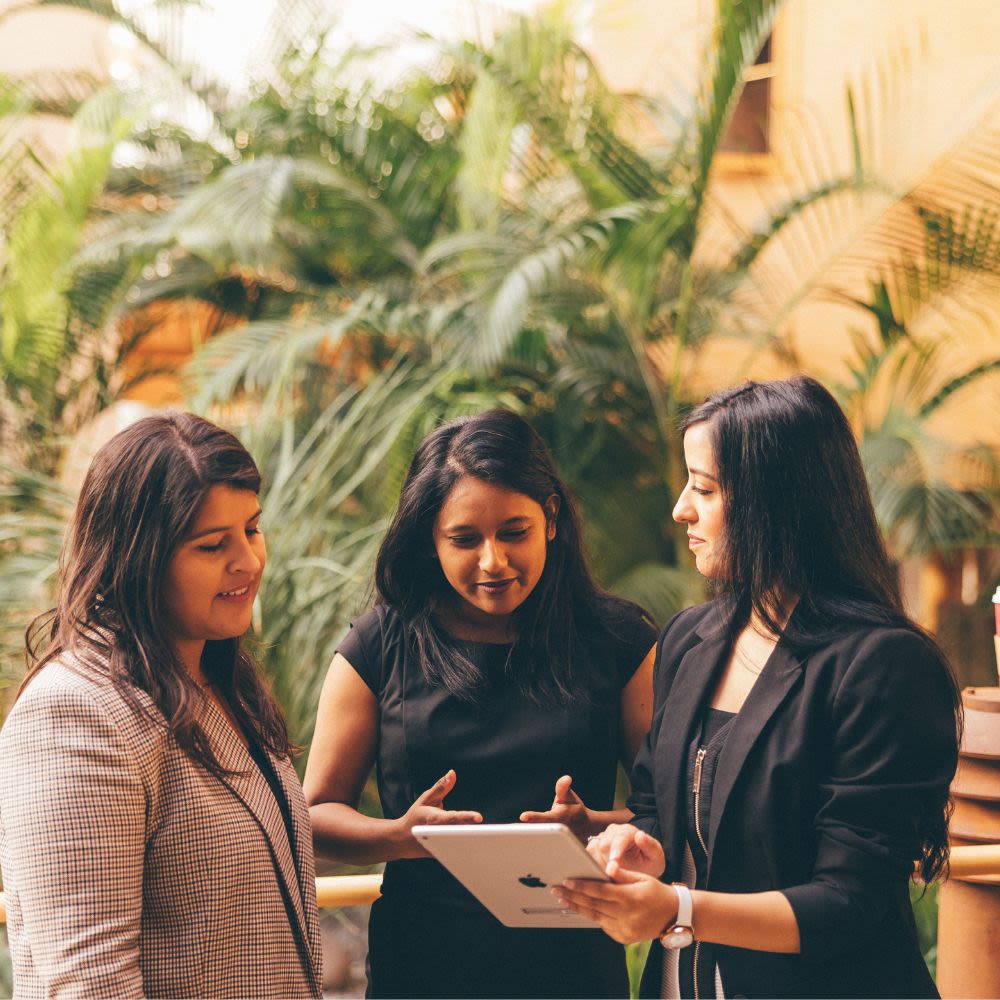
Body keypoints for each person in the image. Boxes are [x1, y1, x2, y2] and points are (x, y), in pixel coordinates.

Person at [555, 375, 961, 999]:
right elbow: (658, 809)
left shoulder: (883, 665)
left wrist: (677, 910)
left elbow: (851, 901)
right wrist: (641, 848)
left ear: (778, 503)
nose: (681, 508)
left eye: (706, 488)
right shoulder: (690, 638)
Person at [304, 408, 658, 999]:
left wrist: (592, 826)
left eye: (513, 532)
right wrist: (401, 836)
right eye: (465, 540)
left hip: (572, 970)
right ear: (429, 540)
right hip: (422, 966)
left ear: (550, 519)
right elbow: (313, 815)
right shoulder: (378, 643)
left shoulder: (617, 641)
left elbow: (671, 809)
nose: (493, 561)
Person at [0, 413, 322, 999]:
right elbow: (89, 983)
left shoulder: (214, 678)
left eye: (252, 530)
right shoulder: (75, 712)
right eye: (211, 545)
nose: (248, 562)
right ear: (138, 558)